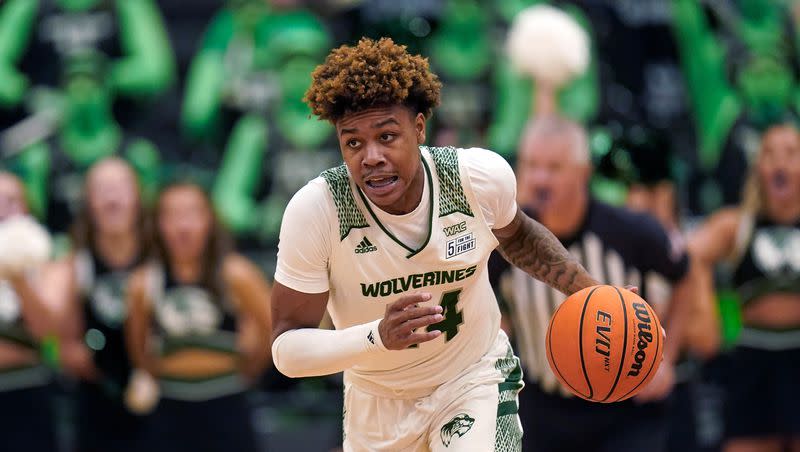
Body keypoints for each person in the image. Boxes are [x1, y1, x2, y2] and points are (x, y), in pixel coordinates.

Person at [270, 37, 610, 452]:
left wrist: (592, 292)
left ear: (418, 128)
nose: (370, 156)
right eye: (353, 142)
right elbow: (287, 350)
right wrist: (377, 336)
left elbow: (519, 235)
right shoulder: (317, 211)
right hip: (378, 402)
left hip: (472, 379)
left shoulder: (475, 180)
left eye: (387, 136)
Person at [492, 116, 695, 452]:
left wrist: (667, 358)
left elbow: (685, 276)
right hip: (543, 407)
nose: (540, 179)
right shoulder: (506, 239)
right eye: (531, 165)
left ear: (584, 172)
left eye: (554, 168)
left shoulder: (632, 232)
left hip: (626, 413)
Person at [126, 181, 271, 452]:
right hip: (170, 410)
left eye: (192, 213)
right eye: (172, 215)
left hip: (227, 404)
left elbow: (271, 332)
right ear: (157, 225)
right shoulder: (143, 283)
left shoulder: (237, 274)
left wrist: (246, 370)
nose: (183, 226)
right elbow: (138, 350)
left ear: (210, 220)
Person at [690, 123, 800, 452]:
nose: (780, 162)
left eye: (791, 154)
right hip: (753, 358)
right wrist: (705, 317)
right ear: (758, 168)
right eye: (769, 153)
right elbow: (690, 254)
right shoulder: (736, 225)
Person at [45, 157, 149, 452]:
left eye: (120, 188)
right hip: (97, 400)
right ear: (88, 203)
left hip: (162, 398)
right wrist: (65, 352)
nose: (112, 198)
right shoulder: (72, 265)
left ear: (138, 198)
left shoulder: (161, 259)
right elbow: (51, 332)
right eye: (102, 190)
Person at [0, 171, 58, 452]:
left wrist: (18, 278)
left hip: (28, 390)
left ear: (26, 207)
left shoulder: (45, 258)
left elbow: (49, 335)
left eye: (11, 200)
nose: (2, 209)